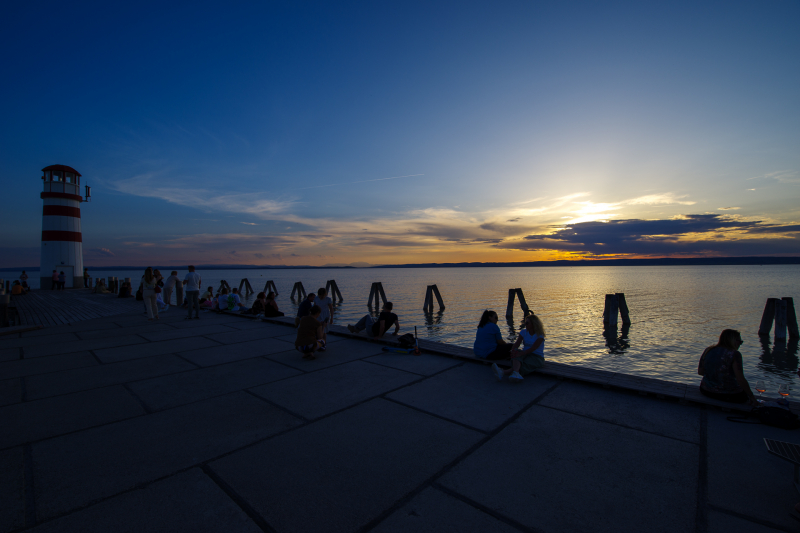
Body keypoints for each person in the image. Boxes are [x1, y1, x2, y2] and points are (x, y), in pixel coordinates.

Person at [697, 329, 757, 406]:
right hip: (728, 395)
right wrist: (752, 396)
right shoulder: (735, 354)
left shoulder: (708, 350)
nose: (740, 344)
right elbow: (740, 379)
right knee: (744, 396)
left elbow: (700, 372)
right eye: (740, 341)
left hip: (705, 390)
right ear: (733, 341)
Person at [493, 313, 546, 383]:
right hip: (525, 354)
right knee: (516, 352)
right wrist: (513, 350)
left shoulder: (540, 335)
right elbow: (517, 343)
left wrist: (521, 353)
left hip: (536, 356)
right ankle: (516, 373)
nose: (525, 324)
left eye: (527, 323)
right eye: (525, 322)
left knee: (523, 365)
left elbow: (534, 348)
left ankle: (503, 372)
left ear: (533, 324)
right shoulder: (523, 332)